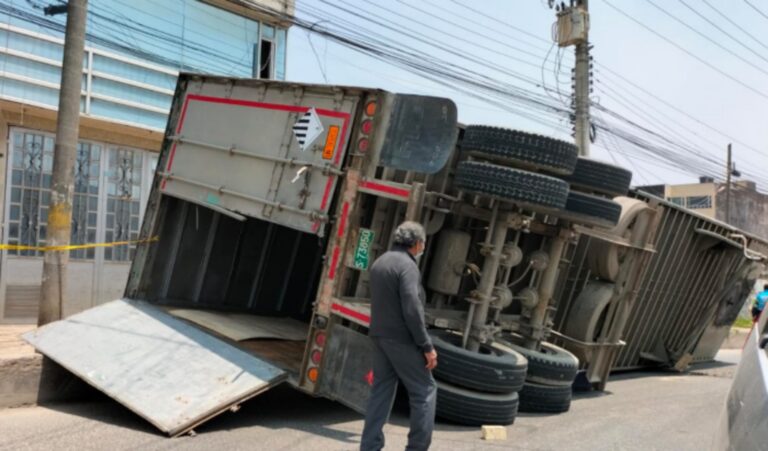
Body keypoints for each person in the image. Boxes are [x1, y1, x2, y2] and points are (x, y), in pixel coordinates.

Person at [360, 221, 437, 451]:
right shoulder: (408, 266)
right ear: (416, 243)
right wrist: (426, 345)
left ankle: (369, 446)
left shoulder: (380, 262)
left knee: (381, 391)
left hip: (379, 335)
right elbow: (412, 308)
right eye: (423, 243)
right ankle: (417, 447)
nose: (423, 247)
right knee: (425, 389)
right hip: (402, 339)